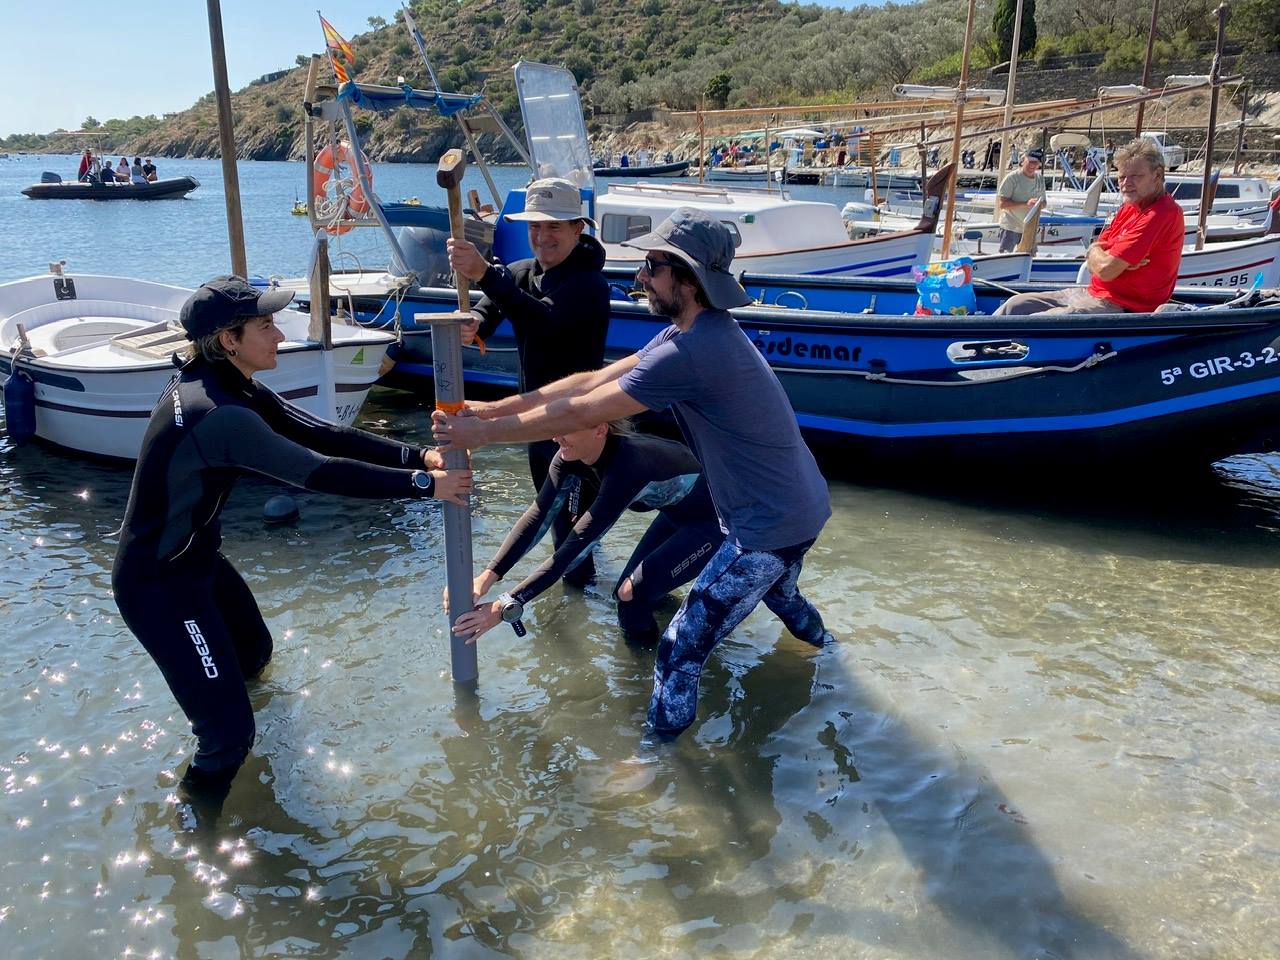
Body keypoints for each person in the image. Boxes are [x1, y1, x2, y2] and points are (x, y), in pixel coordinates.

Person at [434, 207, 833, 740]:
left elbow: (584, 413)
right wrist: (488, 412)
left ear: (687, 280)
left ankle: (655, 759)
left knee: (679, 647)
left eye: (652, 266)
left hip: (766, 524)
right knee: (781, 596)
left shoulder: (692, 350)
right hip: (799, 505)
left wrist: (480, 437)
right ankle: (828, 654)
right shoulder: (691, 332)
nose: (640, 277)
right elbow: (586, 383)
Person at [111, 276, 471, 800]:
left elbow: (320, 432)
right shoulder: (219, 413)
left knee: (255, 654)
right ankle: (196, 833)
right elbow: (316, 472)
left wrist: (416, 456)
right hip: (158, 584)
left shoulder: (229, 385)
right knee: (229, 738)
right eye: (266, 325)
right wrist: (424, 486)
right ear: (229, 339)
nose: (280, 335)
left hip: (197, 562)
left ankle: (235, 724)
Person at [446, 176, 610, 586]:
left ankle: (582, 603)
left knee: (570, 534)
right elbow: (492, 309)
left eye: (554, 225)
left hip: (580, 427)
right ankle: (575, 593)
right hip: (537, 426)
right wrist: (475, 324)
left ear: (578, 228)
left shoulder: (590, 285)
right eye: (535, 225)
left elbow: (545, 322)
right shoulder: (519, 274)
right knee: (560, 522)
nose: (543, 235)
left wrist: (484, 272)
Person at [449, 421, 723, 647]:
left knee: (630, 596)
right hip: (676, 516)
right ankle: (676, 627)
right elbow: (538, 517)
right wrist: (488, 576)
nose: (556, 436)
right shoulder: (569, 457)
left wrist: (505, 605)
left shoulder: (629, 466)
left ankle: (646, 668)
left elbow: (574, 549)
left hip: (716, 523)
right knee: (630, 593)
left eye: (566, 427)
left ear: (600, 429)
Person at [995, 138, 1183, 315]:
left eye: (1135, 176)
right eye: (1122, 177)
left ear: (1157, 175)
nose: (1126, 184)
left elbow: (1105, 270)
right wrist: (1100, 251)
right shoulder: (1130, 208)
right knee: (1015, 305)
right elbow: (1096, 249)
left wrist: (1105, 254)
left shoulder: (1161, 214)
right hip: (1093, 293)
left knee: (1039, 322)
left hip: (1123, 305)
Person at [995, 147, 1046, 253]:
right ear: (1023, 161)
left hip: (1029, 229)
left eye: (1036, 163)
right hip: (1011, 227)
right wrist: (1026, 204)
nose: (1032, 165)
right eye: (1030, 162)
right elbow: (1002, 204)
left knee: (1029, 258)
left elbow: (1044, 203)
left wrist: (1039, 204)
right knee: (1005, 257)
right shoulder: (1012, 178)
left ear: (1039, 165)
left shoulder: (1040, 178)